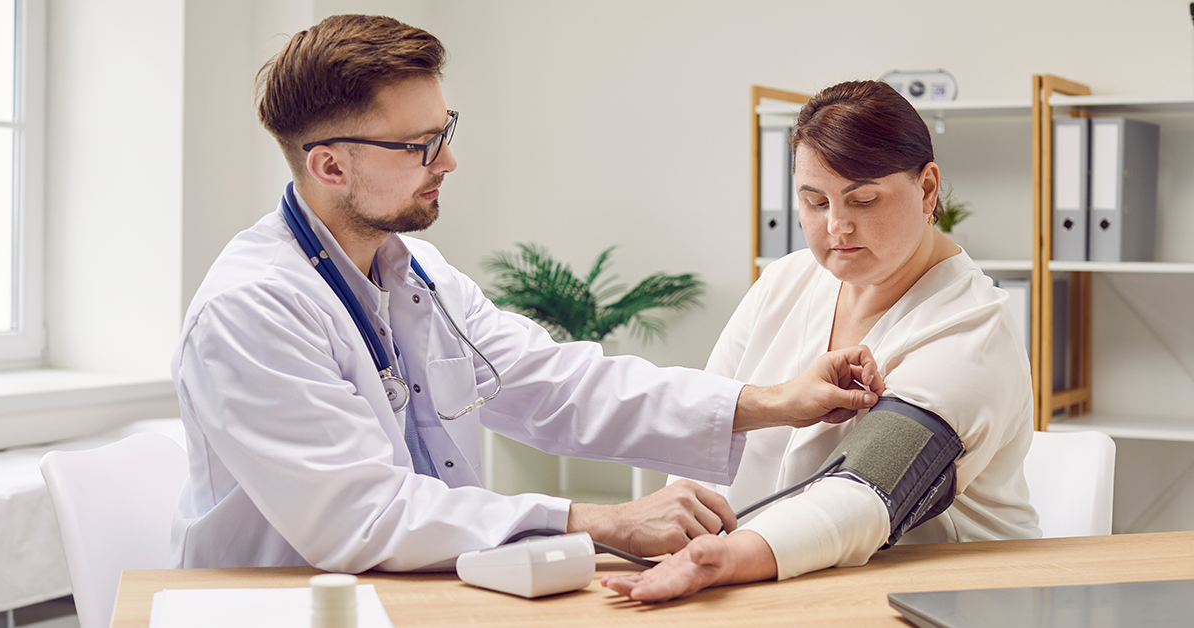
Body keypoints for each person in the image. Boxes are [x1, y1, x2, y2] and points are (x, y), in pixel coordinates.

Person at [170, 15, 886, 574]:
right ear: (329, 165)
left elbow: (555, 383)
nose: (448, 160)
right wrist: (598, 520)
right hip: (285, 604)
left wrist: (770, 403)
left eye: (444, 130)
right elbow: (363, 516)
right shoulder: (251, 311)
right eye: (420, 145)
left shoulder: (416, 273)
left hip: (412, 591)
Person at [603, 80, 1039, 603]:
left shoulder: (971, 329)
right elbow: (708, 419)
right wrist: (683, 533)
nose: (836, 225)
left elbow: (868, 489)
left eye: (863, 198)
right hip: (763, 582)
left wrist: (726, 558)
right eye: (814, 202)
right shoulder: (786, 281)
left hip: (936, 600)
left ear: (927, 190)